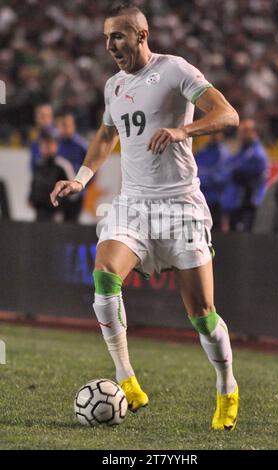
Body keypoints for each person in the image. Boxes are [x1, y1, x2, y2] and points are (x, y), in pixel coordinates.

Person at [50, 3, 240, 430]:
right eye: (105, 38)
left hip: (180, 205)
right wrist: (81, 179)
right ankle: (126, 377)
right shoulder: (113, 86)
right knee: (103, 274)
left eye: (117, 36)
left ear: (141, 34)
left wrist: (181, 130)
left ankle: (227, 386)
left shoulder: (174, 71)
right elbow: (106, 134)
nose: (110, 45)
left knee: (203, 314)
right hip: (133, 203)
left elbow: (228, 115)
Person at [221, 119, 268, 232]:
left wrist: (226, 173)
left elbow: (232, 171)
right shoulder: (243, 151)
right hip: (236, 204)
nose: (241, 134)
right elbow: (226, 167)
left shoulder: (256, 154)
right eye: (240, 131)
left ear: (254, 132)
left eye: (245, 131)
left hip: (247, 206)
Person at [30, 132, 77, 221]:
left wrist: (63, 210)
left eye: (49, 144)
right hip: (40, 213)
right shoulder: (39, 165)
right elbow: (34, 184)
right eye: (44, 144)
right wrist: (31, 197)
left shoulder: (63, 166)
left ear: (55, 146)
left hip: (57, 215)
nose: (46, 148)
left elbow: (73, 192)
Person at [194, 132, 232, 230]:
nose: (214, 136)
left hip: (215, 202)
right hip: (199, 201)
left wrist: (199, 180)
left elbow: (220, 177)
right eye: (212, 133)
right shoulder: (202, 152)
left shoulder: (223, 153)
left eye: (217, 133)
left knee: (214, 235)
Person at [56, 113, 89, 221]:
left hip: (76, 193)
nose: (65, 129)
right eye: (63, 125)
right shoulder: (56, 144)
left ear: (73, 126)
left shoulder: (81, 146)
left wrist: (83, 184)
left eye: (68, 125)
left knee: (72, 222)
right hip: (58, 190)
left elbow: (92, 168)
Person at [30, 104, 58, 172]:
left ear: (51, 118)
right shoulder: (35, 141)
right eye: (41, 116)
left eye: (46, 116)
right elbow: (33, 165)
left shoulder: (59, 138)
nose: (44, 120)